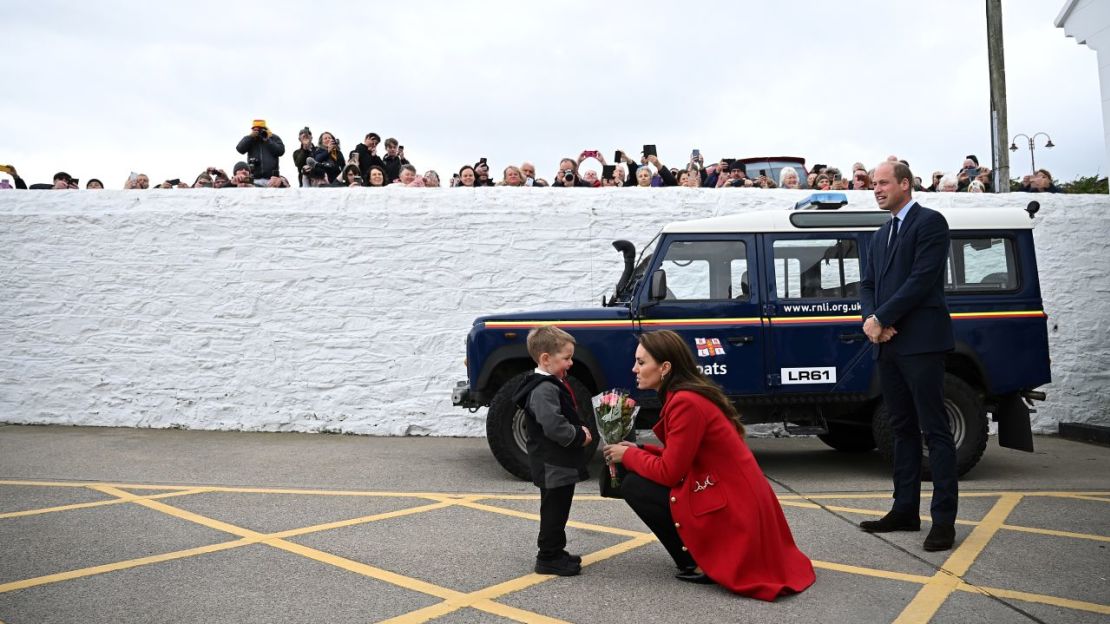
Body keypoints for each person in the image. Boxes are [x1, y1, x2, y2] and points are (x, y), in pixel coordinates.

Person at [603, 330, 815, 599]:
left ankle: (694, 560)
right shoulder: (686, 395)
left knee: (634, 485)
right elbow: (683, 455)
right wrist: (640, 449)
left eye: (641, 362)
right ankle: (695, 555)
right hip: (734, 494)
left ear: (665, 367)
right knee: (634, 474)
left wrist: (629, 457)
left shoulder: (684, 402)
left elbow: (670, 472)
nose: (634, 368)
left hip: (733, 505)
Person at [859, 161, 957, 553]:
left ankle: (944, 522)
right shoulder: (880, 234)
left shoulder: (931, 223)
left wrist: (883, 317)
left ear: (905, 184)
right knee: (900, 428)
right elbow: (867, 284)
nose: (876, 189)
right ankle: (905, 510)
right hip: (888, 343)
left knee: (935, 429)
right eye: (873, 184)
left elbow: (922, 280)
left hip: (922, 343)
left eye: (883, 183)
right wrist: (872, 319)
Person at [510, 325, 592, 576]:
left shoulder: (550, 382)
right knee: (554, 510)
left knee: (559, 507)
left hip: (558, 463)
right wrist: (579, 435)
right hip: (553, 463)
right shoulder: (543, 388)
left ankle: (556, 550)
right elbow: (554, 426)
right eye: (566, 358)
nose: (570, 363)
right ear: (546, 359)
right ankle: (548, 557)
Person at [235, 119, 285, 186]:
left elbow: (280, 151)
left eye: (260, 130)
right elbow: (240, 149)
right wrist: (250, 137)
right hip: (253, 178)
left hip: (271, 179)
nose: (258, 132)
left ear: (265, 129)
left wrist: (267, 140)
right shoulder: (250, 139)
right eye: (255, 130)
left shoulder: (273, 138)